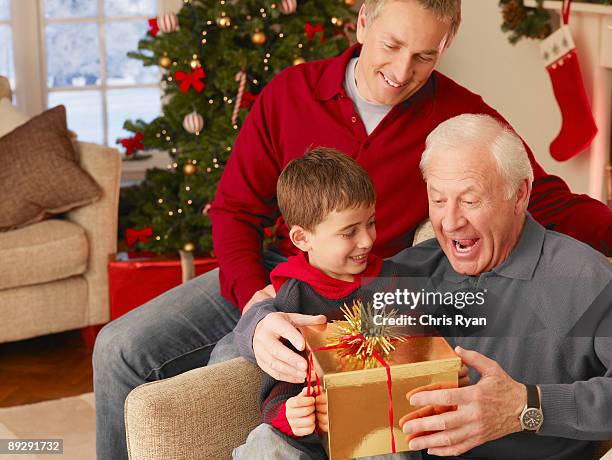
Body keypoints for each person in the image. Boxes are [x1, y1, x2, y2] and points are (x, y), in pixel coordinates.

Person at [92, 1, 612, 458]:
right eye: (392, 45)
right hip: (274, 270)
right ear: (363, 23)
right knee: (119, 349)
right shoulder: (290, 92)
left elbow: (543, 197)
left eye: (426, 56)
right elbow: (233, 211)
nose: (403, 70)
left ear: (445, 47)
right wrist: (256, 303)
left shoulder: (457, 114)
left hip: (363, 286)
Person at [238, 114, 612, 459]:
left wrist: (526, 406)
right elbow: (301, 297)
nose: (449, 222)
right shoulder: (415, 270)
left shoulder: (582, 278)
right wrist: (256, 327)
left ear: (520, 194)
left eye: (469, 200)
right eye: (437, 200)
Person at [234, 147, 420, 459]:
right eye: (349, 232)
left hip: (376, 430)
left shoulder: (394, 283)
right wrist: (289, 414)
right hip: (311, 441)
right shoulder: (291, 298)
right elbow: (278, 388)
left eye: (370, 223)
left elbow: (421, 355)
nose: (367, 240)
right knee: (263, 442)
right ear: (302, 239)